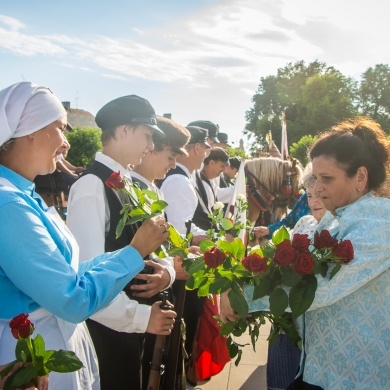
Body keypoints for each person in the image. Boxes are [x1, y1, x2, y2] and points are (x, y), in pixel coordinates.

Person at [0, 81, 174, 390]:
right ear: (31, 129)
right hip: (35, 360)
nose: (66, 143)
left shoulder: (23, 194)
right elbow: (72, 297)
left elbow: (74, 268)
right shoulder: (8, 204)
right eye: (61, 128)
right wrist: (134, 254)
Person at [221, 117, 390, 389]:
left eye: (327, 178)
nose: (317, 188)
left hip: (356, 378)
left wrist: (243, 295)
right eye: (315, 178)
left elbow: (322, 286)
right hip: (317, 371)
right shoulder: (336, 218)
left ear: (360, 177)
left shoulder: (381, 224)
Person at [66, 96, 177, 390]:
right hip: (108, 335)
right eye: (147, 135)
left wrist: (166, 274)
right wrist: (142, 318)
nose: (151, 146)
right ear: (123, 131)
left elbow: (158, 250)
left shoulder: (128, 183)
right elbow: (86, 280)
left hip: (129, 330)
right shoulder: (91, 186)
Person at [130, 115, 191, 389]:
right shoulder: (130, 190)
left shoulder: (151, 189)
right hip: (135, 308)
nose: (174, 164)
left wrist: (171, 265)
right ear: (150, 148)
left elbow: (162, 247)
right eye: (170, 155)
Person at [266, 163, 326, 390]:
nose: (314, 202)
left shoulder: (342, 229)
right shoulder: (304, 223)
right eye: (310, 195)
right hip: (289, 323)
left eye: (321, 196)